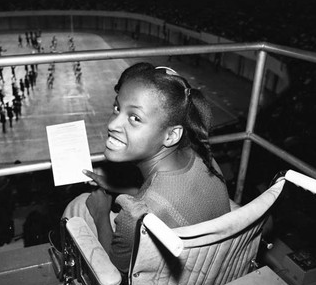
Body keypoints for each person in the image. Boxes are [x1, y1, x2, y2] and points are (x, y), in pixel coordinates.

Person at [62, 63, 230, 273]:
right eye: (117, 108)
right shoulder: (204, 159)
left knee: (78, 206)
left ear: (171, 136)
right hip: (203, 268)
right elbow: (161, 198)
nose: (112, 124)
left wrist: (101, 214)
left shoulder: (136, 217)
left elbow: (116, 269)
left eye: (135, 118)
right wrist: (117, 186)